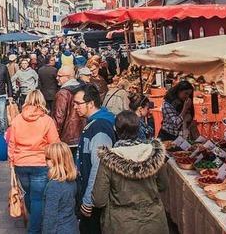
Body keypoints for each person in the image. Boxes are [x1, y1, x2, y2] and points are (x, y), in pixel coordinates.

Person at [92, 111, 168, 234]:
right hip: (153, 220)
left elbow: (99, 200)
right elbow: (163, 185)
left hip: (121, 224)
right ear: (138, 129)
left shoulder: (108, 160)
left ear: (116, 130)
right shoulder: (154, 154)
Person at [8, 90, 60, 234]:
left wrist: (12, 162)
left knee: (29, 194)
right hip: (40, 163)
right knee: (38, 198)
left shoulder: (17, 119)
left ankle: (34, 220)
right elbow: (54, 143)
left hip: (20, 163)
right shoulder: (47, 120)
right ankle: (34, 229)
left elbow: (11, 143)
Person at [73, 84, 115, 234]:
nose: (75, 107)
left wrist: (88, 200)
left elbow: (99, 166)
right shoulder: (94, 123)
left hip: (94, 199)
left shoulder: (100, 127)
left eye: (78, 103)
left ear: (90, 103)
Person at [42, 142, 79, 234]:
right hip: (72, 226)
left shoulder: (54, 186)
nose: (45, 161)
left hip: (59, 229)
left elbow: (50, 217)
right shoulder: (72, 180)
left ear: (56, 160)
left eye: (47, 158)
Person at [52, 67, 85, 156]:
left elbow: (59, 117)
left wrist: (53, 137)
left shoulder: (63, 93)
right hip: (83, 134)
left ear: (68, 77)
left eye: (59, 76)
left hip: (68, 137)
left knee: (68, 167)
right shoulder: (83, 87)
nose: (57, 78)